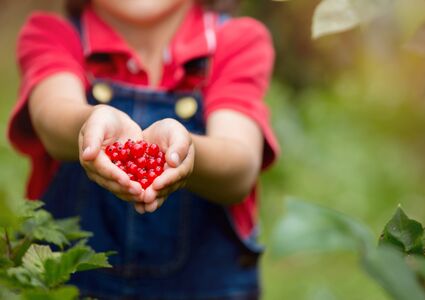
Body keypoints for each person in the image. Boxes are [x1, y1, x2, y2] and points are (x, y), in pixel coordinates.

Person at [8, 0, 279, 298]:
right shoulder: (54, 35)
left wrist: (188, 150)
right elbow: (51, 119)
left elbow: (239, 166)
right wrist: (90, 122)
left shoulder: (236, 42)